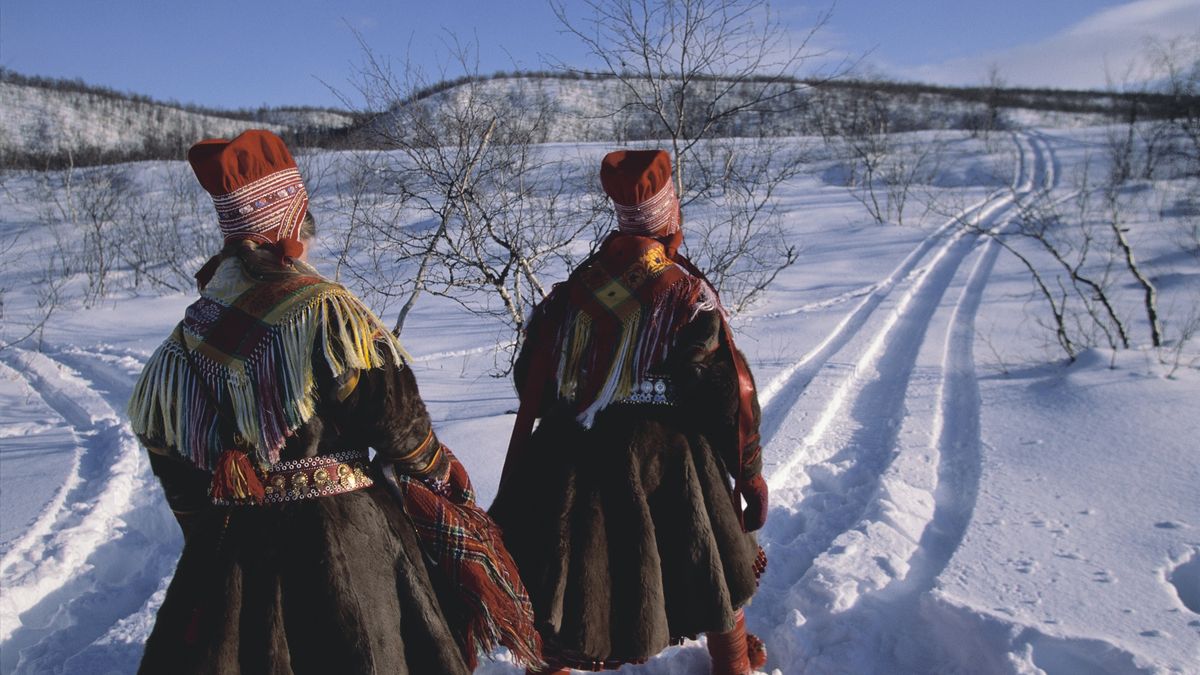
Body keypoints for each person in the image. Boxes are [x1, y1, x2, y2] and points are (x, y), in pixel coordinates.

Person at [128, 129, 541, 674]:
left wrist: (218, 543)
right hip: (343, 541)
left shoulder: (182, 343)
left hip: (230, 553)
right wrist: (437, 470)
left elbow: (175, 465)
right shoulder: (323, 313)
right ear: (289, 224)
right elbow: (391, 417)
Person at [489, 149, 769, 675]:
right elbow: (728, 397)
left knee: (560, 582)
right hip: (667, 460)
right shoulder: (687, 295)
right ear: (670, 218)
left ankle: (549, 668)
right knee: (710, 562)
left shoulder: (568, 295)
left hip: (567, 452)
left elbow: (533, 383)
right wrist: (748, 474)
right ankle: (732, 662)